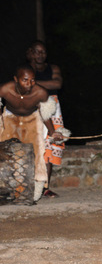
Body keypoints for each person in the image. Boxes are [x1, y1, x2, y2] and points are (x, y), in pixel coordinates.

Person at [0, 64, 63, 201]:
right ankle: (6, 190)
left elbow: (45, 114)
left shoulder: (41, 92)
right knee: (4, 154)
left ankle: (35, 191)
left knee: (38, 153)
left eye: (33, 80)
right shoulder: (5, 89)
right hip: (10, 119)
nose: (30, 84)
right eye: (25, 80)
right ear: (16, 79)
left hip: (32, 120)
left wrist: (53, 132)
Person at [27, 40, 69, 198]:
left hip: (53, 108)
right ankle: (30, 186)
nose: (40, 55)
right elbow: (26, 86)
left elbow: (57, 83)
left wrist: (33, 83)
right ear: (31, 52)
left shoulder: (53, 68)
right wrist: (33, 83)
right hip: (33, 108)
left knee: (50, 148)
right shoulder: (27, 69)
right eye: (37, 51)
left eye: (43, 52)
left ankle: (45, 187)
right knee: (33, 147)